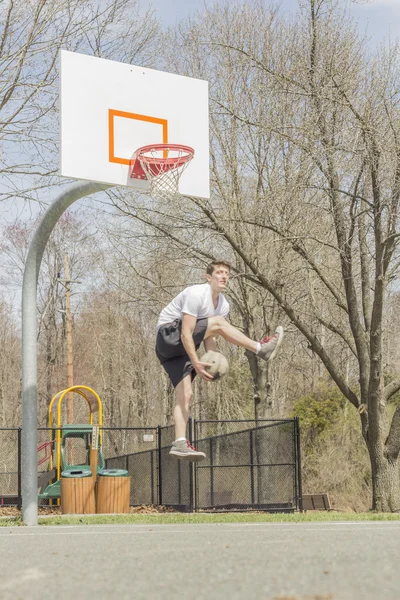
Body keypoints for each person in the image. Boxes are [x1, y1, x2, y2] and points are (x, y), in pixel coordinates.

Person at [155, 260, 284, 461]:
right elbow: (186, 333)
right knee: (218, 323)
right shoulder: (196, 294)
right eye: (219, 273)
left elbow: (209, 336)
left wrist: (211, 363)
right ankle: (261, 349)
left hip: (175, 353)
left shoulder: (223, 304)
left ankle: (179, 442)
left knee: (186, 394)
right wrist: (196, 361)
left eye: (227, 274)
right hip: (169, 336)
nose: (224, 276)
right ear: (209, 277)